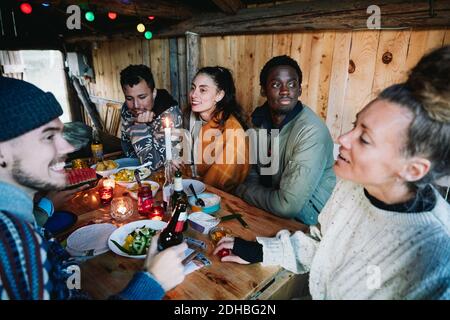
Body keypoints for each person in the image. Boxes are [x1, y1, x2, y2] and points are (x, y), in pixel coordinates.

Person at [215, 46, 450, 299]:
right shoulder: (353, 187)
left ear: (412, 169)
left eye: (365, 139)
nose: (343, 138)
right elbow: (322, 242)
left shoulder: (434, 260)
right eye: (354, 125)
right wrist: (261, 251)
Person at [0, 77, 187, 300]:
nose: (68, 147)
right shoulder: (11, 239)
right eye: (48, 137)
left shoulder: (20, 225)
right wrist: (151, 282)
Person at [234, 55, 336, 225]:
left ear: (299, 90)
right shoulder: (260, 121)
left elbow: (286, 206)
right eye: (276, 84)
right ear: (263, 91)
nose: (285, 91)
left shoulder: (311, 131)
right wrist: (249, 191)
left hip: (310, 222)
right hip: (268, 210)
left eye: (291, 84)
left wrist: (243, 191)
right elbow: (253, 172)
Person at [181, 66, 250, 192]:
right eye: (193, 88)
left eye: (202, 90)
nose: (193, 95)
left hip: (218, 198)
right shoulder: (190, 117)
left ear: (219, 95)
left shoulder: (233, 132)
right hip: (191, 186)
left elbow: (218, 184)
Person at [120, 64, 183, 170]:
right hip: (131, 171)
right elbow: (126, 145)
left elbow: (155, 165)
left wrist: (139, 126)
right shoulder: (127, 108)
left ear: (153, 93)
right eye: (129, 98)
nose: (136, 105)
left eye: (142, 97)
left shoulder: (171, 115)